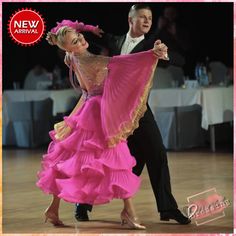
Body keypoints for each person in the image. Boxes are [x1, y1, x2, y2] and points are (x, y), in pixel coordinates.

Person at [36, 19, 168, 229]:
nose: (81, 41)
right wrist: (151, 55)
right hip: (99, 112)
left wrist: (87, 29)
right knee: (116, 159)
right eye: (76, 41)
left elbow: (72, 30)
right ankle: (129, 212)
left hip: (86, 108)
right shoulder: (91, 60)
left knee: (69, 159)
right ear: (68, 48)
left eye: (79, 37)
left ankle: (53, 208)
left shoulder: (71, 58)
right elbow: (125, 63)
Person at [75, 4, 191, 225]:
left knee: (155, 154)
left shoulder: (152, 44)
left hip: (139, 112)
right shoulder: (116, 41)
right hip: (112, 113)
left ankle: (167, 208)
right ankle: (83, 203)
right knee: (101, 161)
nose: (147, 21)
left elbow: (178, 59)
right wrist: (81, 29)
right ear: (130, 20)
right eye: (142, 17)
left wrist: (162, 52)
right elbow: (83, 37)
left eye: (149, 17)